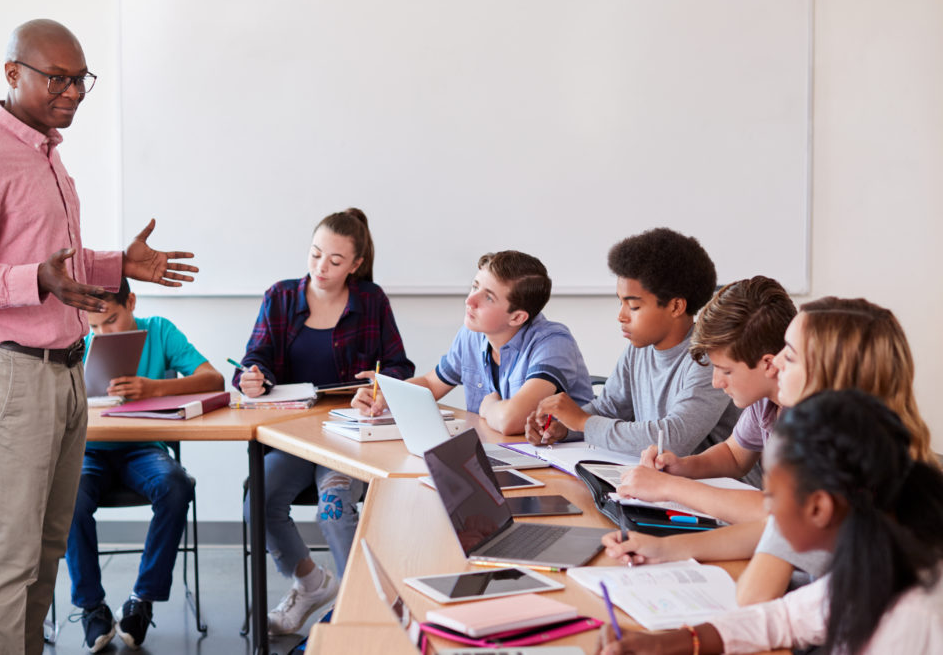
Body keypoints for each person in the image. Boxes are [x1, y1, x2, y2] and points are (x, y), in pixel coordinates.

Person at [0, 19, 197, 655]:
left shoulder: (46, 152)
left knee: (45, 550)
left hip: (66, 371)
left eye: (79, 80)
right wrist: (32, 281)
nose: (71, 92)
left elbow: (56, 268)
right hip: (9, 374)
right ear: (12, 74)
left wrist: (118, 264)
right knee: (6, 557)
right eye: (57, 79)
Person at [602, 296, 938, 605]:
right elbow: (775, 528)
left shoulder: (844, 469)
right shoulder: (851, 448)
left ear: (827, 377)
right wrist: (666, 548)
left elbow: (758, 583)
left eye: (788, 355)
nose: (773, 363)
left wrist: (671, 491)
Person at [597, 389, 943, 655]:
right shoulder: (873, 557)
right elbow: (784, 618)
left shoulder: (911, 616)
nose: (765, 509)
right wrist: (664, 643)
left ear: (819, 508)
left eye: (771, 495)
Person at [235, 208, 415, 636]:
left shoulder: (371, 300)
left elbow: (399, 366)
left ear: (356, 264)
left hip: (348, 436)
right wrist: (252, 377)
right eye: (315, 254)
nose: (321, 267)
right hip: (294, 435)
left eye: (335, 261)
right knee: (258, 501)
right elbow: (255, 358)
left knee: (334, 508)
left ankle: (362, 606)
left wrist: (380, 383)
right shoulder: (280, 297)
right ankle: (312, 584)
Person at [69, 278, 224, 651]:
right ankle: (91, 606)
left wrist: (155, 388)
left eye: (111, 320)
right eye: (94, 326)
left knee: (176, 485)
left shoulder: (159, 331)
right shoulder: (75, 340)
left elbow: (214, 379)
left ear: (131, 302)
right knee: (67, 496)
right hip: (89, 450)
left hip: (143, 449)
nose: (103, 333)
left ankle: (142, 599)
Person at [525, 227, 739, 456]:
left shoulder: (710, 358)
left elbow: (674, 439)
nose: (621, 316)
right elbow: (608, 409)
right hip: (655, 473)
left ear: (676, 306)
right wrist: (564, 427)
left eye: (634, 306)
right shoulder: (639, 350)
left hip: (710, 477)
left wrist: (583, 423)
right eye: (621, 303)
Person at [614, 276, 797, 524]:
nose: (716, 382)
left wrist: (668, 487)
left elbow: (782, 512)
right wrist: (682, 467)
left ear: (768, 364)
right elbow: (734, 456)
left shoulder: (811, 415)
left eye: (726, 371)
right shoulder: (764, 401)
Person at [352, 250, 593, 434]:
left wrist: (489, 408)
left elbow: (511, 420)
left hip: (558, 464)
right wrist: (388, 397)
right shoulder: (472, 334)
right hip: (497, 451)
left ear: (517, 317)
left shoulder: (553, 342)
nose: (470, 300)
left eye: (488, 297)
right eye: (475, 286)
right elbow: (432, 384)